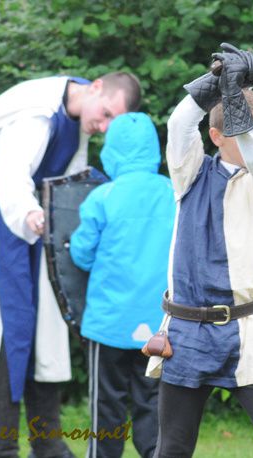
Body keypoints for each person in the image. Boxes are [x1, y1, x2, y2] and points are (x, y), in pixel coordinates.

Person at [0, 72, 140, 458]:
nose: (102, 126)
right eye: (104, 115)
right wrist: (31, 216)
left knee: (44, 329)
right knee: (8, 328)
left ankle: (46, 441)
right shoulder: (38, 111)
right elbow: (11, 175)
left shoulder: (77, 115)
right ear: (98, 86)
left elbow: (70, 175)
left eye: (110, 123)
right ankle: (1, 446)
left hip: (35, 213)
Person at [145, 43, 253, 457]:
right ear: (216, 135)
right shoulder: (191, 173)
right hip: (187, 330)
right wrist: (217, 77)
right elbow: (180, 120)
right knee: (173, 449)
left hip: (250, 330)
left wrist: (234, 93)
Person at [69, 112, 175, 458]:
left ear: (110, 151)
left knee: (106, 405)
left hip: (109, 321)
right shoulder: (172, 192)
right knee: (154, 404)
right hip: (160, 323)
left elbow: (82, 254)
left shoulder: (102, 197)